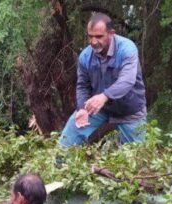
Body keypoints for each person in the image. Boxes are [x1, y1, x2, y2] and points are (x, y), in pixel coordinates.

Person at [59, 12, 148, 147]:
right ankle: (59, 166)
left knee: (136, 158)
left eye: (99, 36)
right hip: (99, 109)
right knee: (66, 142)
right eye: (90, 37)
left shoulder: (127, 49)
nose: (94, 42)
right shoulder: (85, 56)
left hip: (130, 111)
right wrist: (82, 108)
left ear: (111, 33)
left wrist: (104, 96)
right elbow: (83, 85)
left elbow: (127, 81)